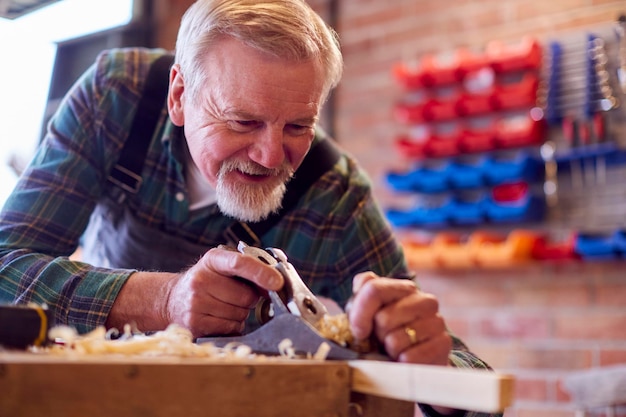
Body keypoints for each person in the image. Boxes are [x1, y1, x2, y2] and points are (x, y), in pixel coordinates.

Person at [0, 1, 500, 416]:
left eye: (298, 127)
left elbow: (475, 386)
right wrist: (163, 300)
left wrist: (432, 368)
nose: (269, 155)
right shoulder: (118, 96)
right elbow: (6, 263)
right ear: (179, 96)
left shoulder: (333, 195)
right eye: (242, 122)